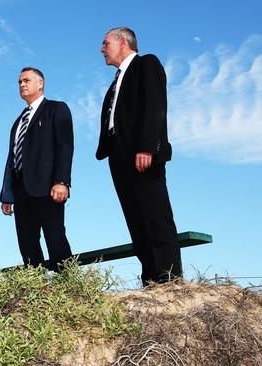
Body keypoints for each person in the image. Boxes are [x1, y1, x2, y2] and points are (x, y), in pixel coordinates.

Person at [97, 27, 182, 285]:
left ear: (123, 42)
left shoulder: (146, 63)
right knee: (135, 219)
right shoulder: (116, 80)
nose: (102, 49)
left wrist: (147, 147)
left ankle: (170, 280)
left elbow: (155, 106)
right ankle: (151, 279)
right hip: (119, 156)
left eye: (105, 43)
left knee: (155, 216)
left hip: (141, 154)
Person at [0, 67, 74, 271]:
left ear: (40, 83)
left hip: (48, 187)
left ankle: (69, 285)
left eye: (26, 80)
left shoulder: (56, 109)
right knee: (27, 243)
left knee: (55, 237)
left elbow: (65, 146)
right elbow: (12, 157)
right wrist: (7, 194)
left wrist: (62, 181)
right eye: (19, 82)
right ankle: (37, 291)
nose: (22, 84)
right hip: (21, 189)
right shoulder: (18, 122)